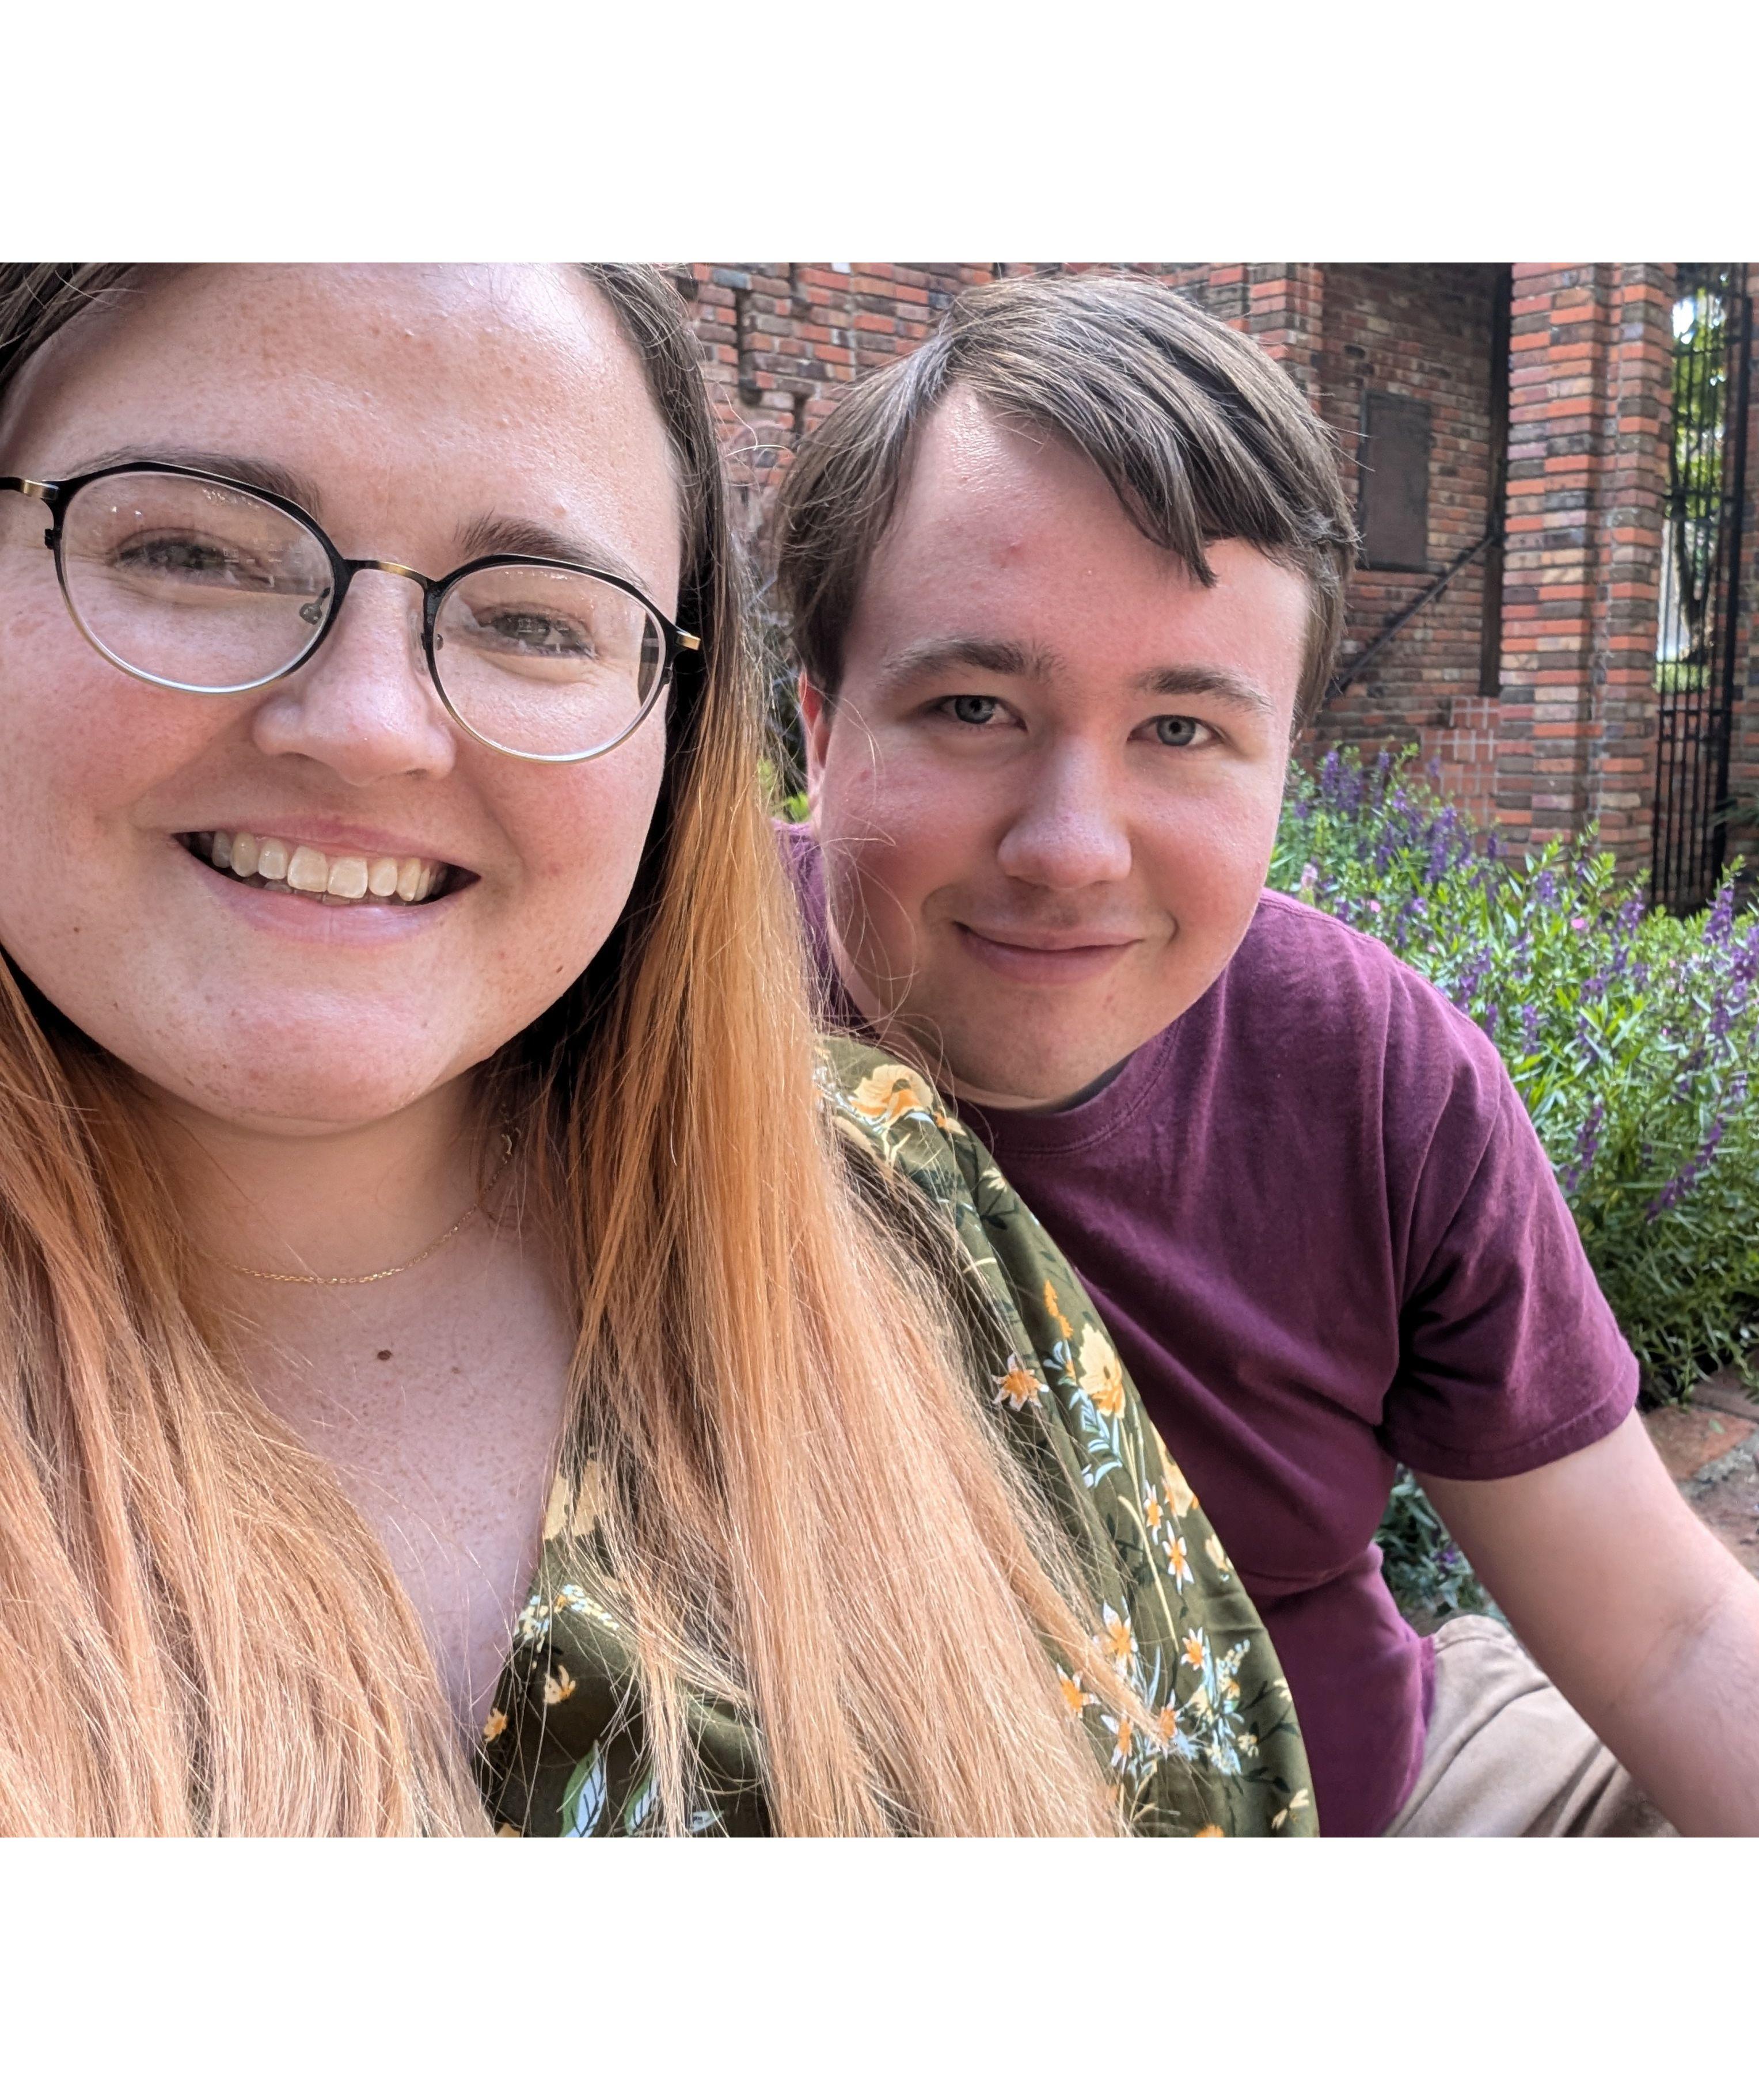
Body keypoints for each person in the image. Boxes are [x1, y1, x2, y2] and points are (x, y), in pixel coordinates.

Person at [0, 262, 1314, 1838]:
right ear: (815, 739)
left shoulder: (886, 1187)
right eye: (195, 550)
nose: (366, 726)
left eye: (537, 619)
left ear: (674, 732)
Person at [774, 270, 1759, 1836]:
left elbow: (1669, 1634)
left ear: (1285, 771)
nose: (1070, 848)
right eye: (977, 704)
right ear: (819, 729)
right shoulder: (651, 1008)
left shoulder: (1379, 1077)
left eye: (1184, 731)